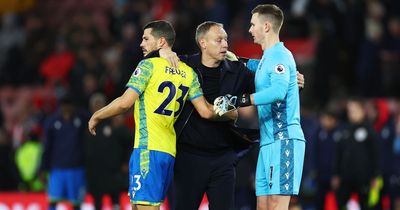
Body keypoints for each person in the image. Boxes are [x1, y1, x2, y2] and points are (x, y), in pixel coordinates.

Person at [158, 21, 305, 210]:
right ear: (203, 43)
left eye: (226, 39)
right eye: (218, 40)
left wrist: (292, 80)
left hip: (223, 158)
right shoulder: (184, 66)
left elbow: (271, 84)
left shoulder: (237, 71)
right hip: (190, 157)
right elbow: (151, 63)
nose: (225, 44)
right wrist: (162, 52)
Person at [88, 20, 216, 210]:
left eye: (146, 38)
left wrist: (97, 115)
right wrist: (231, 110)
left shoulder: (148, 66)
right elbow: (206, 111)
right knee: (141, 205)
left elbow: (124, 103)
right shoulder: (189, 73)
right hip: (168, 152)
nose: (141, 43)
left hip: (148, 150)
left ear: (161, 41)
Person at [214, 4, 306, 210]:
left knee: (276, 206)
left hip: (284, 140)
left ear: (266, 27)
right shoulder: (268, 59)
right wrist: (236, 60)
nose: (249, 29)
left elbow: (278, 92)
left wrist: (239, 100)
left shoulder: (280, 56)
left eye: (252, 24)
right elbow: (258, 67)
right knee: (263, 206)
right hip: (267, 142)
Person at [39, 94, 88, 210]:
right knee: (53, 201)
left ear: (73, 107)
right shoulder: (52, 122)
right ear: (60, 107)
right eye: (64, 106)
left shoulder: (81, 119)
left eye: (69, 106)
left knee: (76, 203)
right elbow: (47, 147)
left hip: (76, 168)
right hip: (57, 169)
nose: (66, 109)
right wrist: (42, 169)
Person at [85, 93, 131, 210]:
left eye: (100, 104)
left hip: (113, 171)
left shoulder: (114, 123)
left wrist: (126, 161)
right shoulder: (87, 125)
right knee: (97, 202)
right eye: (95, 105)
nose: (98, 107)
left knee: (115, 200)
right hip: (95, 172)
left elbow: (128, 142)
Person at [332, 97, 380, 210]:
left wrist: (375, 176)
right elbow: (339, 153)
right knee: (341, 204)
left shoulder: (369, 130)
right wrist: (336, 174)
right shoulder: (344, 130)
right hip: (345, 178)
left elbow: (375, 155)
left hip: (364, 178)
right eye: (350, 111)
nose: (351, 114)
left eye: (354, 111)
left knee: (366, 205)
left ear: (362, 111)